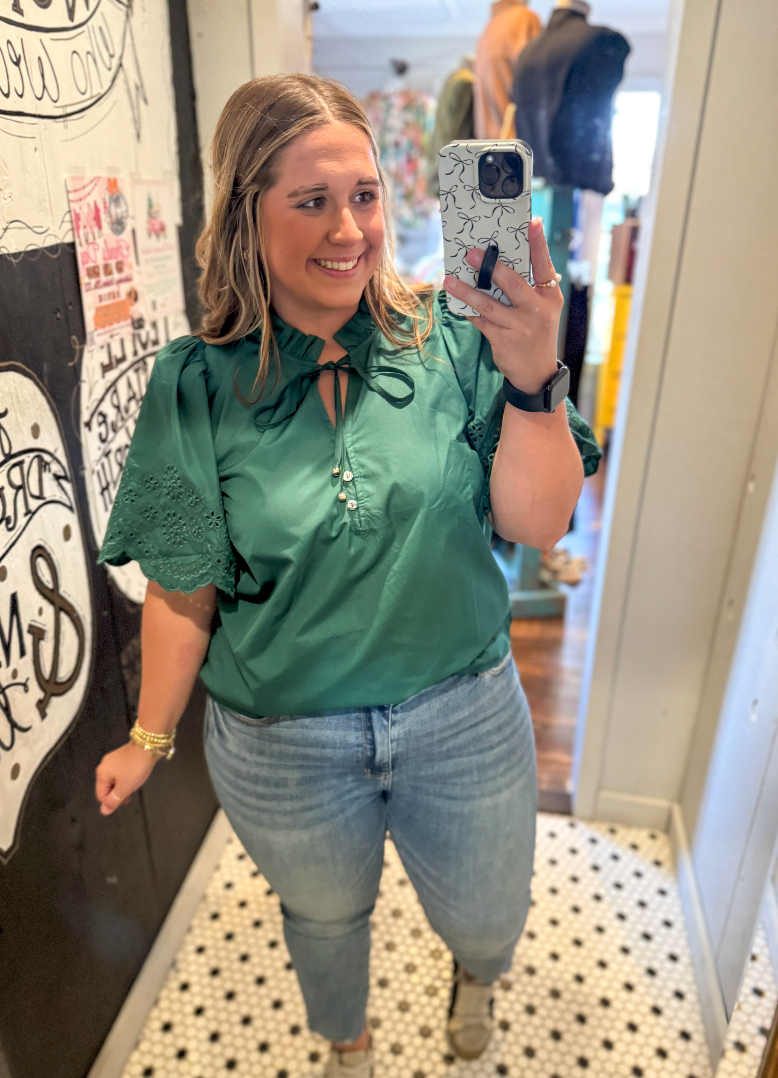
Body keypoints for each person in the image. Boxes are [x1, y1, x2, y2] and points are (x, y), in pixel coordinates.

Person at [94, 74, 599, 1077]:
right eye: (312, 199)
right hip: (283, 748)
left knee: (490, 913)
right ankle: (347, 1045)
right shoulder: (193, 384)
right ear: (247, 209)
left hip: (464, 717)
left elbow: (536, 518)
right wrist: (150, 738)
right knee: (324, 918)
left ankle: (476, 971)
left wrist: (535, 373)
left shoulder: (458, 339)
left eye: (364, 195)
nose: (349, 227)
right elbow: (182, 590)